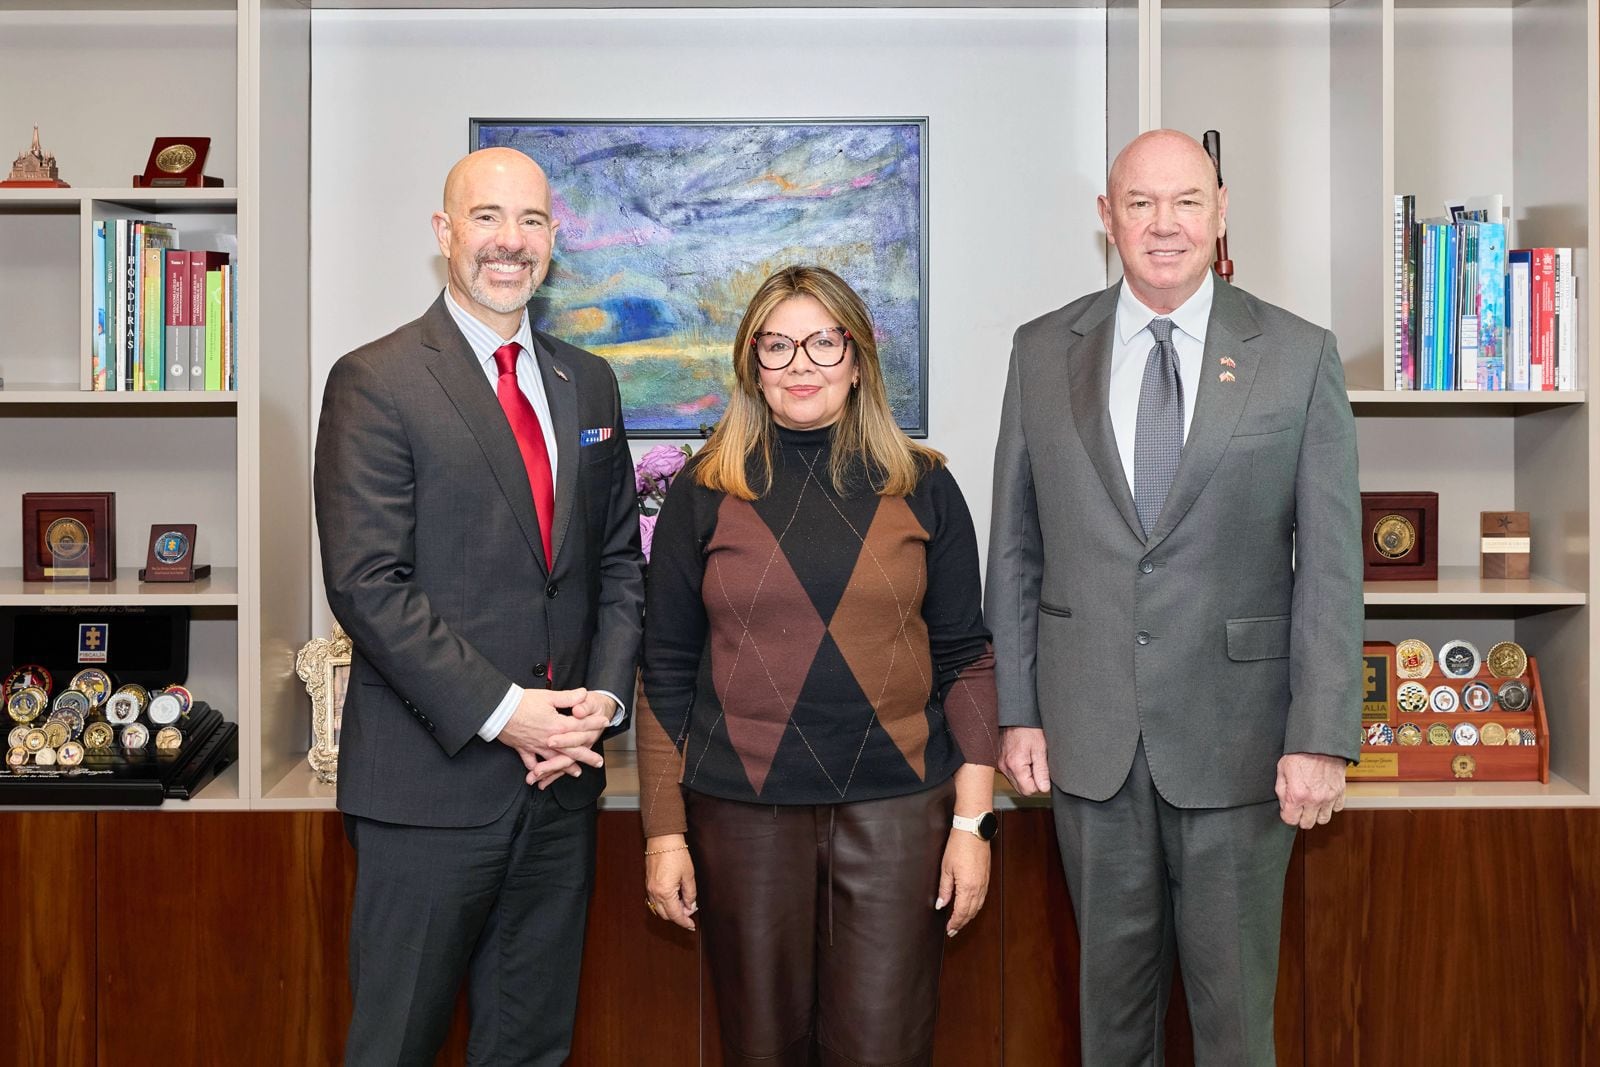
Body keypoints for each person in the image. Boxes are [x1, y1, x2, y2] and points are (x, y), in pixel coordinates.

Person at [986, 129, 1362, 1065]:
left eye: (1187, 201)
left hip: (1241, 741)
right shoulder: (1042, 350)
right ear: (1106, 219)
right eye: (1141, 203)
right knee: (1110, 1021)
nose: (1164, 225)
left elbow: (1329, 561)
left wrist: (1320, 735)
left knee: (1235, 1020)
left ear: (1222, 211)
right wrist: (1018, 711)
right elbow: (1018, 548)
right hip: (1089, 736)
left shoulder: (1297, 354)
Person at [313, 147, 644, 1066]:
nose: (510, 241)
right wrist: (510, 714)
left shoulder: (591, 381)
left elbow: (618, 565)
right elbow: (368, 583)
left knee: (532, 1046)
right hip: (428, 792)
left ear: (554, 240)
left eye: (532, 221)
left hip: (560, 788)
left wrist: (599, 710)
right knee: (396, 1045)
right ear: (444, 232)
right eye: (488, 217)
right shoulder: (375, 380)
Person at [638, 265, 1000, 1067]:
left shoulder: (925, 486)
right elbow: (663, 666)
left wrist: (973, 825)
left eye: (822, 341)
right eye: (777, 344)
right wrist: (664, 833)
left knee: (884, 1050)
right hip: (743, 815)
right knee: (760, 1049)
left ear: (857, 357)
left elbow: (968, 660)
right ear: (752, 365)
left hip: (899, 812)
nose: (800, 362)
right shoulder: (703, 492)